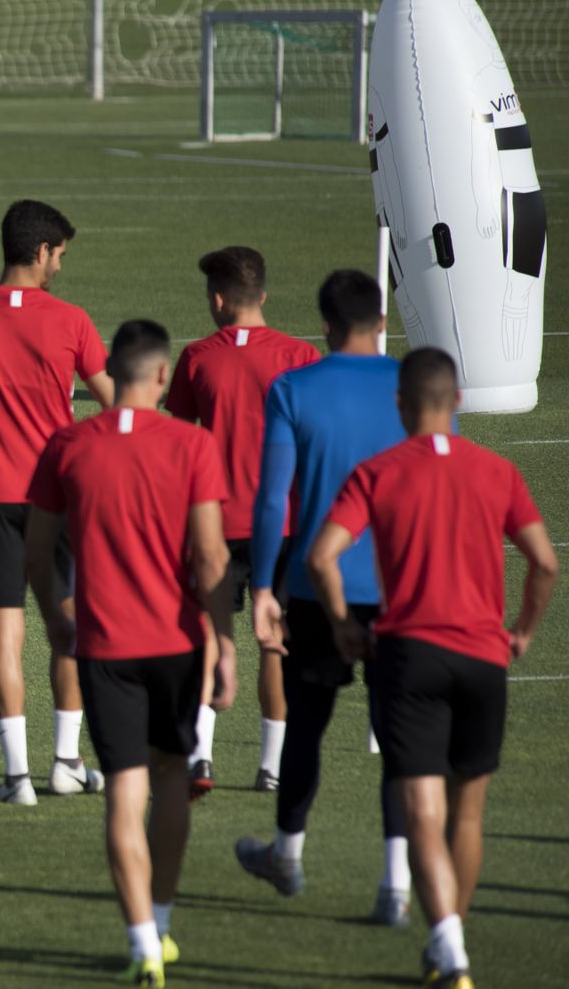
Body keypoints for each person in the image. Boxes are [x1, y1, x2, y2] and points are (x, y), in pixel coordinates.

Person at [309, 347, 555, 989]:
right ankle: (449, 947)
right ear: (459, 401)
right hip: (482, 656)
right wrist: (521, 633)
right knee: (466, 814)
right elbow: (546, 563)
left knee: (421, 809)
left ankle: (449, 948)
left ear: (400, 405)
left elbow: (323, 556)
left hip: (409, 655)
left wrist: (342, 625)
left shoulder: (378, 472)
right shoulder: (497, 471)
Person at [27, 319, 232, 988]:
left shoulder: (67, 444)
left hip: (103, 645)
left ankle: (142, 942)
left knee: (123, 791)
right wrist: (224, 642)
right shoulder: (191, 444)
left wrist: (57, 621)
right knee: (173, 777)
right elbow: (208, 558)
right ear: (163, 376)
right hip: (174, 642)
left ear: (111, 372)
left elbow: (37, 550)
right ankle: (164, 924)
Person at [233, 269, 414, 927]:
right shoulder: (410, 388)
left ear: (325, 325)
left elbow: (271, 496)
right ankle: (395, 887)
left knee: (307, 724)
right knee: (400, 738)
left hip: (315, 585)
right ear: (380, 322)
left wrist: (260, 587)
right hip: (401, 590)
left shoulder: (294, 387)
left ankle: (287, 854)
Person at [0, 200, 113, 805]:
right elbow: (118, 406)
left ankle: (18, 780)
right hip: (60, 501)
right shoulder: (72, 321)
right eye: (59, 255)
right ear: (41, 252)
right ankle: (65, 763)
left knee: (3, 640)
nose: (60, 266)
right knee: (66, 628)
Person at [164, 246, 319, 797]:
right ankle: (271, 767)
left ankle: (200, 759)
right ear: (265, 295)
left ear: (218, 299)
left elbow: (177, 440)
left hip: (215, 524)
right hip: (285, 524)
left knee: (209, 636)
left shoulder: (197, 358)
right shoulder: (302, 357)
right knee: (274, 640)